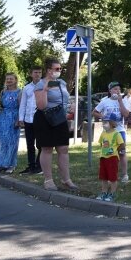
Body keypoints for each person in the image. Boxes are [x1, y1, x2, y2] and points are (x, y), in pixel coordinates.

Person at [34, 58, 77, 191]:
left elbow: (65, 99)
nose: (59, 71)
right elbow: (41, 106)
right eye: (56, 69)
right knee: (47, 149)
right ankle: (48, 180)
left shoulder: (62, 83)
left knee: (63, 149)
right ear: (48, 70)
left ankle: (66, 180)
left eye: (60, 68)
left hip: (60, 119)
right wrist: (45, 90)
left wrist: (71, 106)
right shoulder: (40, 84)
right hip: (44, 118)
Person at [93, 82, 131, 183]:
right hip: (108, 132)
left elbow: (126, 114)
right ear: (110, 91)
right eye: (115, 89)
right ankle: (110, 174)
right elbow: (94, 112)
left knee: (122, 153)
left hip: (120, 131)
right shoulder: (104, 101)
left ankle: (124, 174)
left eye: (119, 89)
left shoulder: (123, 101)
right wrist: (104, 116)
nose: (117, 91)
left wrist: (120, 102)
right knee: (109, 153)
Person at [0, 73, 22, 174]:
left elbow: (21, 107)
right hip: (2, 118)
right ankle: (0, 164)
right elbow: (0, 105)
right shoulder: (3, 92)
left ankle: (11, 165)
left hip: (13, 118)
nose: (9, 80)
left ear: (15, 80)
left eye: (11, 79)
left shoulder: (20, 92)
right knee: (0, 141)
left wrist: (19, 120)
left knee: (11, 142)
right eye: (7, 79)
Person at [18, 65, 42, 174]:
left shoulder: (45, 86)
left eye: (39, 72)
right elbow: (23, 104)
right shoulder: (27, 88)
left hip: (41, 120)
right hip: (28, 120)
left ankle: (39, 166)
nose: (37, 74)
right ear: (31, 74)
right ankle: (31, 166)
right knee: (30, 144)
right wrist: (21, 118)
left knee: (41, 144)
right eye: (35, 72)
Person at [95, 113, 125, 202]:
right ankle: (104, 192)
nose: (104, 124)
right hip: (103, 157)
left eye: (106, 123)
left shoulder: (116, 134)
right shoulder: (103, 133)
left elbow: (122, 145)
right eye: (103, 122)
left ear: (112, 123)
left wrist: (115, 151)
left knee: (112, 177)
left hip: (112, 158)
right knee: (103, 177)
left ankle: (112, 193)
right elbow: (101, 143)